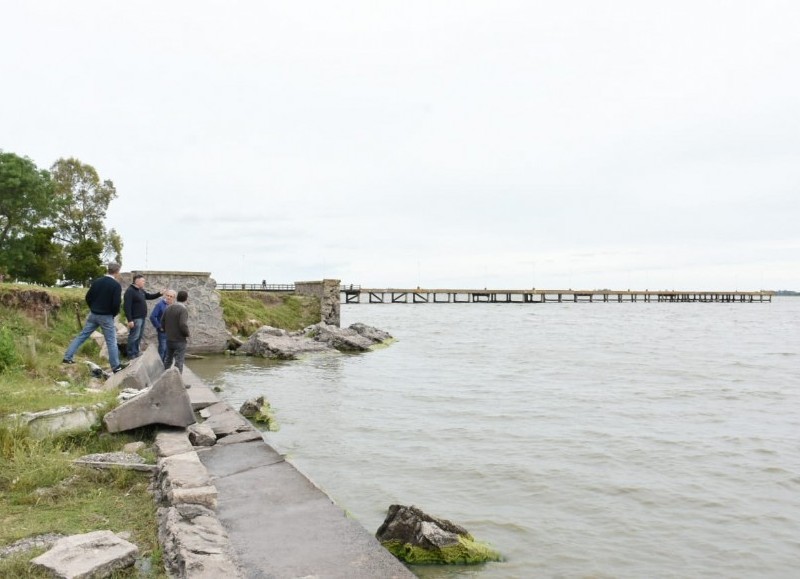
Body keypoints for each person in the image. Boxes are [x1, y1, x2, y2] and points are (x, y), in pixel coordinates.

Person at [63, 263, 127, 373]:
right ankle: (116, 366)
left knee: (82, 335)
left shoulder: (97, 282)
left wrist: (93, 307)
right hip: (106, 316)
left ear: (108, 270)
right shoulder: (116, 285)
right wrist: (113, 314)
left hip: (93, 314)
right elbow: (116, 303)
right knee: (111, 340)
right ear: (117, 271)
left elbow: (88, 297)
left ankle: (67, 357)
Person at [123, 274, 162, 359]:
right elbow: (127, 306)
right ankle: (130, 354)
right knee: (134, 336)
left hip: (142, 318)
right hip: (135, 318)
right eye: (143, 281)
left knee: (139, 336)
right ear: (137, 281)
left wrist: (159, 293)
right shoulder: (130, 291)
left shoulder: (140, 290)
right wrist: (130, 320)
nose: (144, 282)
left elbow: (149, 296)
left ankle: (136, 352)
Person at [163, 290, 190, 374]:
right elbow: (183, 324)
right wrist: (187, 334)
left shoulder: (168, 307)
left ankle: (163, 379)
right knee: (179, 362)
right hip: (179, 340)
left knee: (168, 360)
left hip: (169, 338)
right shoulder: (183, 309)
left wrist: (166, 331)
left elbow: (162, 321)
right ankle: (178, 383)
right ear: (186, 299)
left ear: (177, 297)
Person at [149, 289, 176, 363]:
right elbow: (152, 316)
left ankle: (165, 367)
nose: (169, 297)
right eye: (168, 295)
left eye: (171, 296)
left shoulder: (174, 306)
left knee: (169, 350)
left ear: (174, 298)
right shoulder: (160, 304)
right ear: (165, 295)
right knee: (162, 349)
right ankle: (159, 366)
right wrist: (159, 326)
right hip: (163, 331)